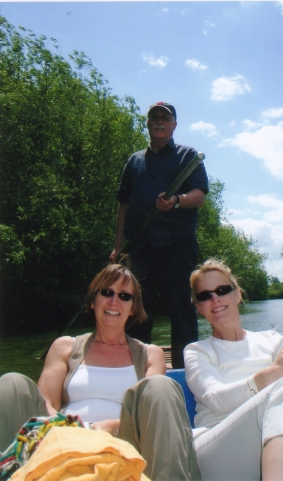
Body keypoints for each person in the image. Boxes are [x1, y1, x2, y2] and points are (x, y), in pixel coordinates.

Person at [0, 264, 201, 481]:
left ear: (132, 308)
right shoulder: (65, 347)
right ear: (93, 301)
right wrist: (71, 428)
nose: (114, 301)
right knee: (12, 383)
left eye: (124, 296)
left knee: (162, 385)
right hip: (65, 434)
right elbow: (47, 403)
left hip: (124, 437)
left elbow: (151, 414)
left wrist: (106, 427)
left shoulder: (150, 354)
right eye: (107, 292)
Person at [184, 259, 283, 481]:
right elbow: (216, 398)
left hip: (273, 446)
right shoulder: (197, 351)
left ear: (237, 295)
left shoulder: (271, 340)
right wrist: (275, 373)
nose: (215, 299)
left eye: (222, 290)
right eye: (205, 295)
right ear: (199, 307)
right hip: (216, 453)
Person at [109, 102, 209, 368]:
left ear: (174, 124)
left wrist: (176, 200)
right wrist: (117, 247)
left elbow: (199, 196)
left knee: (182, 309)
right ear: (148, 123)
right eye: (154, 117)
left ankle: (186, 371)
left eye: (165, 117)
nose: (159, 121)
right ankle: (139, 368)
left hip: (179, 245)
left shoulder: (188, 156)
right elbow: (124, 205)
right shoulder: (135, 160)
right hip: (140, 247)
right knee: (138, 310)